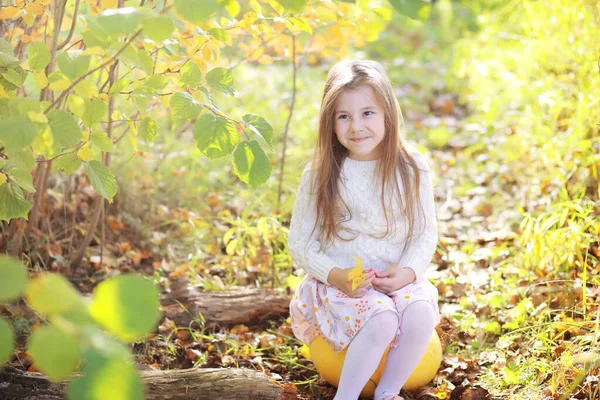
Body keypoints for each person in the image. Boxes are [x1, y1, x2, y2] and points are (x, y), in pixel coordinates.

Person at [287, 59, 441, 400]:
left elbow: (424, 233)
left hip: (394, 278)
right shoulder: (320, 174)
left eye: (368, 113)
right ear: (330, 122)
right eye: (344, 116)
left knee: (419, 313)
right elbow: (300, 243)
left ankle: (387, 392)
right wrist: (335, 274)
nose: (356, 126)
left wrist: (408, 272)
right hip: (343, 285)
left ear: (388, 113)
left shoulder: (412, 167)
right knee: (382, 319)